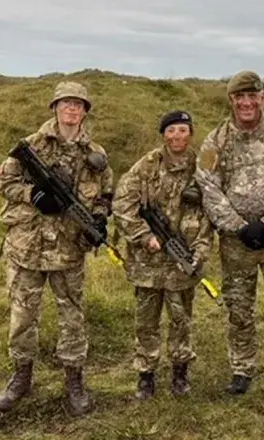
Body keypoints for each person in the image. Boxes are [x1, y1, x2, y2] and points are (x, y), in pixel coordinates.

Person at [0, 81, 114, 416]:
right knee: (22, 316)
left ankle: (74, 381)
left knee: (72, 318)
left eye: (79, 105)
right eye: (66, 103)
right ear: (55, 108)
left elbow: (105, 194)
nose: (72, 110)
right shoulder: (31, 146)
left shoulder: (96, 155)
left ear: (85, 111)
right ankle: (21, 377)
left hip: (68, 249)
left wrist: (100, 219)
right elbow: (0, 182)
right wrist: (32, 196)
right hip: (26, 247)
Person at [194, 70, 264, 402]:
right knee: (239, 310)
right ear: (231, 100)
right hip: (236, 242)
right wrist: (238, 225)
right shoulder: (216, 140)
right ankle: (242, 369)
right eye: (239, 97)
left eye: (251, 96)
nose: (246, 103)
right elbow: (208, 186)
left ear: (262, 98)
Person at [111, 110, 213, 400]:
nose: (177, 136)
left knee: (181, 320)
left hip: (183, 260)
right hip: (148, 262)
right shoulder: (147, 165)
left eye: (183, 130)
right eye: (171, 131)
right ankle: (146, 375)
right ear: (163, 134)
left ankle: (180, 373)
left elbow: (211, 213)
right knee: (146, 321)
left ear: (190, 133)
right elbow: (122, 203)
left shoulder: (202, 167)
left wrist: (201, 250)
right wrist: (144, 236)